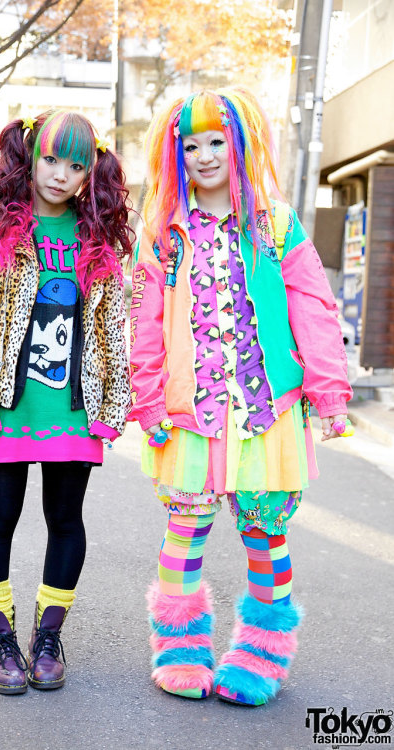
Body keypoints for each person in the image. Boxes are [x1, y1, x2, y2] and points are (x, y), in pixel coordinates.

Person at [129, 87, 353, 706]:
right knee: (185, 532)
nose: (203, 155)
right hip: (189, 414)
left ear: (240, 145)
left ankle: (261, 653)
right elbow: (146, 323)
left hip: (267, 415)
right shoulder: (162, 233)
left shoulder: (275, 223)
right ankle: (179, 648)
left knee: (265, 535)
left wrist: (330, 394)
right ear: (176, 156)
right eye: (190, 145)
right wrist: (146, 398)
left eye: (215, 142)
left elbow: (312, 307)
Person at [0, 110, 133, 695]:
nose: (60, 175)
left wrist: (111, 408)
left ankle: (48, 635)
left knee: (66, 521)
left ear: (91, 174)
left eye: (76, 165)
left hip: (72, 413)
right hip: (4, 406)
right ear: (30, 156)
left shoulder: (97, 241)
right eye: (51, 159)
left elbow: (111, 329)